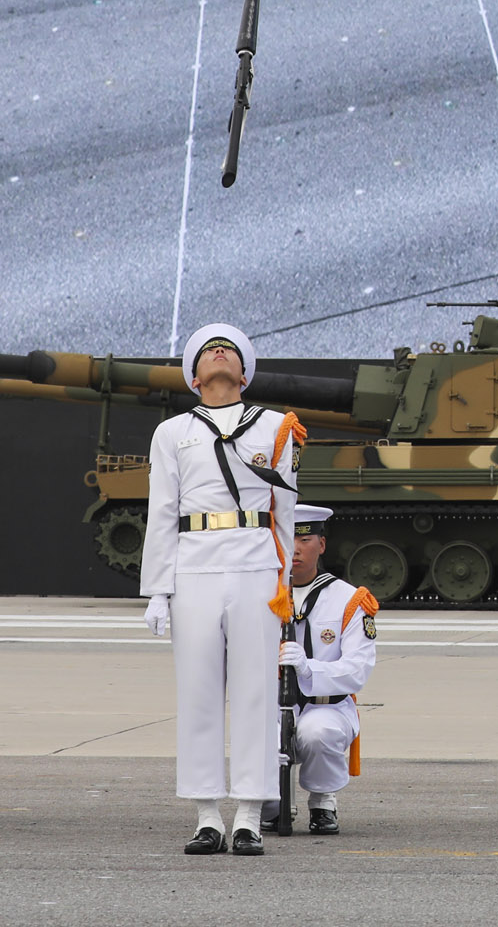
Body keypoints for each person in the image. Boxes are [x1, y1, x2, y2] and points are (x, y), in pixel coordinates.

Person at [140, 325, 306, 855]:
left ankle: (251, 816)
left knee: (256, 690)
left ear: (244, 372)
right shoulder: (172, 433)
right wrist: (158, 590)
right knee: (198, 691)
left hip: (255, 563)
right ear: (194, 377)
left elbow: (285, 513)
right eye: (210, 350)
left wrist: (284, 587)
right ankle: (207, 814)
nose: (220, 353)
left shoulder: (278, 427)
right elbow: (163, 512)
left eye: (230, 350)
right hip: (194, 565)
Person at [261, 505, 378, 836]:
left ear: (322, 545)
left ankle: (323, 801)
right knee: (259, 736)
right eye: (287, 540)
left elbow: (358, 669)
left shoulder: (350, 600)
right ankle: (271, 803)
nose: (295, 549)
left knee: (317, 732)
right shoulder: (259, 594)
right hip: (271, 703)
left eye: (306, 539)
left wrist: (308, 668)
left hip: (327, 704)